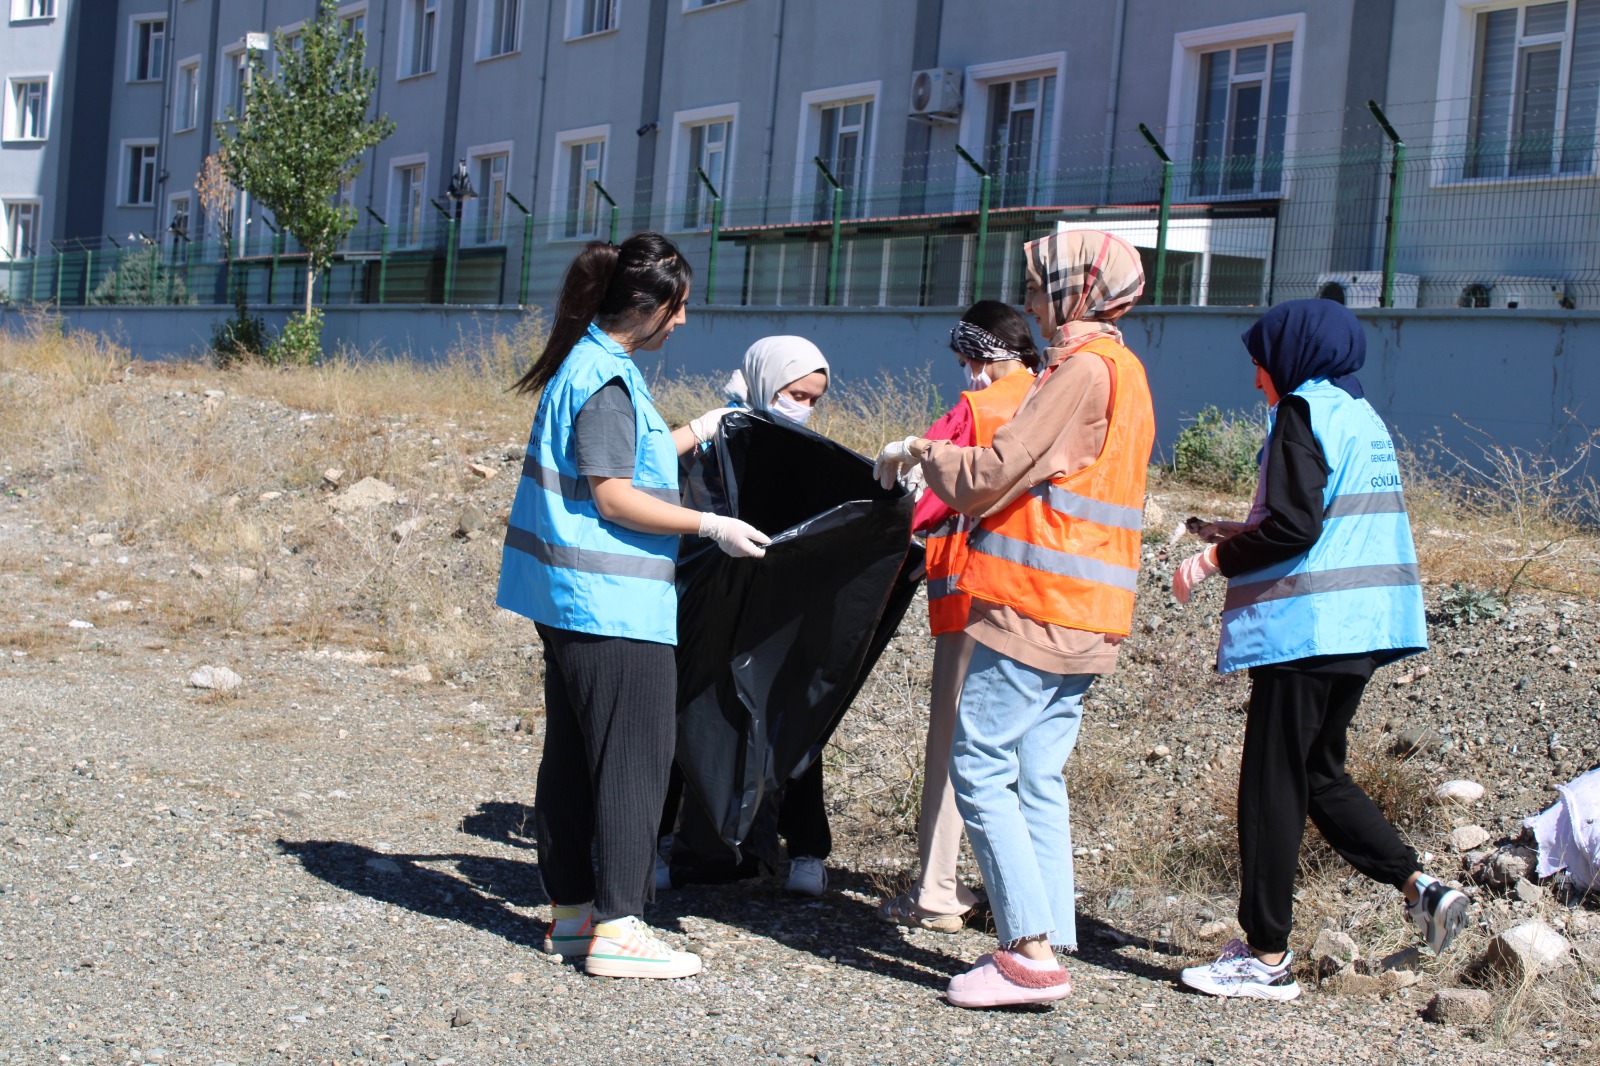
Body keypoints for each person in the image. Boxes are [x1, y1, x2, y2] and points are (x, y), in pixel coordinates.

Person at [874, 230, 1154, 1008]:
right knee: (1038, 773)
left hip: (1036, 603)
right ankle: (1049, 933)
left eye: (1039, 287)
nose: (1030, 302)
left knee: (982, 765)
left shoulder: (1077, 373)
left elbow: (991, 475)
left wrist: (921, 454)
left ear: (1077, 289)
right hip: (1094, 609)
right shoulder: (1127, 372)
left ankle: (1027, 955)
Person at [1170, 298, 1466, 1001]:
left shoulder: (1300, 411)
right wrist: (1229, 528)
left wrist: (1213, 563)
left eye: (1259, 366)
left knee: (1270, 785)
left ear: (1291, 358)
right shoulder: (1359, 414)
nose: (1255, 381)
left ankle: (1265, 956)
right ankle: (1418, 885)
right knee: (1318, 774)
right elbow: (1325, 514)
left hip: (1308, 630)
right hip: (1363, 629)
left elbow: (1299, 527)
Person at [497, 232, 768, 980]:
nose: (682, 323)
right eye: (678, 310)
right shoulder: (606, 380)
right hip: (610, 604)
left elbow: (625, 460)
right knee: (633, 760)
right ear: (646, 307)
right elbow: (615, 496)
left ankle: (575, 917)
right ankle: (621, 926)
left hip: (572, 599)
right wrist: (710, 523)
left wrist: (707, 427)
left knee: (575, 759)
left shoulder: (593, 365)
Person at [876, 301, 1040, 934]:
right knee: (1023, 753)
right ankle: (1027, 902)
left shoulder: (978, 410)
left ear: (987, 353)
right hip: (1042, 595)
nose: (965, 371)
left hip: (970, 592)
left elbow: (919, 502)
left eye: (968, 358)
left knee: (954, 741)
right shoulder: (1055, 396)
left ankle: (938, 889)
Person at [657, 336, 836, 897]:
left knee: (793, 719)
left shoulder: (807, 450)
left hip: (773, 609)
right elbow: (654, 475)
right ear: (765, 381)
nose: (802, 405)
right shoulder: (715, 436)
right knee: (682, 714)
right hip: (709, 603)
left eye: (813, 397)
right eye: (794, 393)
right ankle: (657, 845)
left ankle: (806, 851)